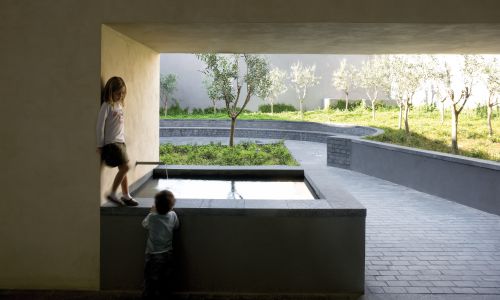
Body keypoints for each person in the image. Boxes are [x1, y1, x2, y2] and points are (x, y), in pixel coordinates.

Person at [96, 76, 138, 206]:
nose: (120, 95)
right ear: (110, 91)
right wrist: (100, 145)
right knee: (126, 167)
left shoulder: (119, 105)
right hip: (112, 143)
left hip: (120, 142)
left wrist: (125, 138)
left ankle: (126, 195)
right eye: (118, 93)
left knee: (123, 168)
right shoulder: (107, 106)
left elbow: (117, 126)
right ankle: (112, 193)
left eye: (122, 93)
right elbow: (100, 126)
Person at [142, 190, 180, 300]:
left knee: (150, 280)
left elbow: (144, 224)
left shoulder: (152, 217)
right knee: (166, 279)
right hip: (168, 253)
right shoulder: (173, 215)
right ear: (171, 207)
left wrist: (151, 212)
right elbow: (176, 226)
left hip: (153, 255)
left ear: (156, 206)